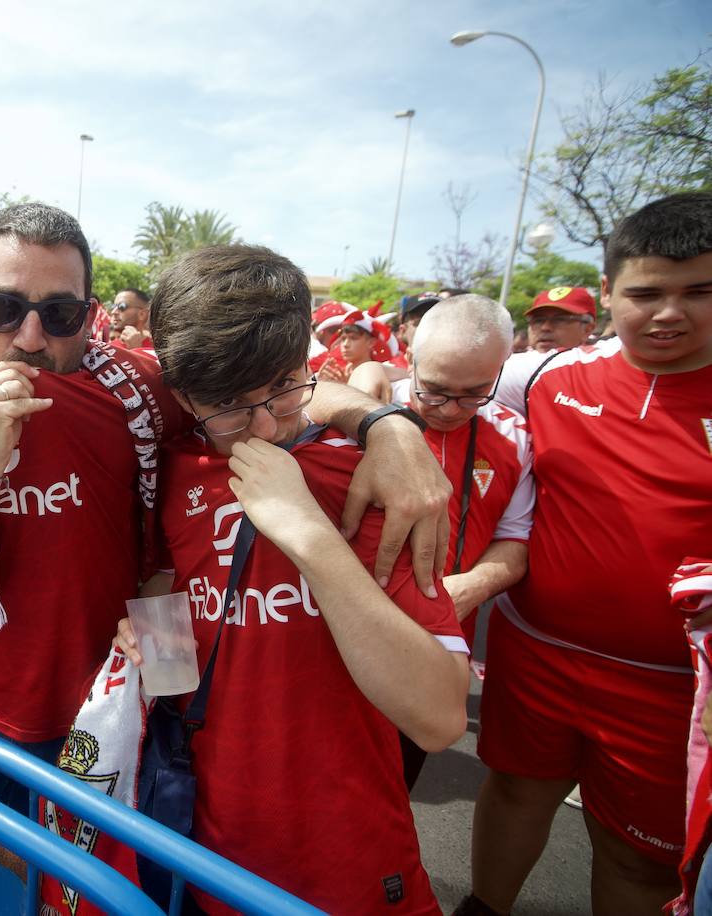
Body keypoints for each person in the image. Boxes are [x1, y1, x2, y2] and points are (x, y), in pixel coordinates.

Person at [0, 202, 455, 814]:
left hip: (113, 719)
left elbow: (273, 386)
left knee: (86, 899)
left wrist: (389, 427)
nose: (30, 338)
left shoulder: (143, 387)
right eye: (4, 309)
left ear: (90, 317)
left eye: (59, 314)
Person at [116, 244, 468, 915]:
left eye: (283, 386)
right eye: (227, 406)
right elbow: (170, 603)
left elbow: (440, 717)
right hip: (200, 841)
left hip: (346, 867)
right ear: (183, 394)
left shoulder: (364, 478)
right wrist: (148, 637)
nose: (266, 426)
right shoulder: (179, 463)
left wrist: (309, 535)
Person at [457, 192, 712, 916]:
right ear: (607, 292)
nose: (669, 313)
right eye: (646, 292)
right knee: (510, 792)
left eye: (699, 292)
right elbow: (415, 391)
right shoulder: (540, 376)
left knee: (636, 857)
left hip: (671, 689)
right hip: (534, 654)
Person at [352, 295, 534, 788]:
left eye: (474, 393)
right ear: (409, 358)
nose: (451, 409)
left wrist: (473, 585)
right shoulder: (363, 413)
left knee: (395, 792)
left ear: (501, 370)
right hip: (347, 642)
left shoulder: (515, 438)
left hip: (436, 650)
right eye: (433, 391)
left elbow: (516, 541)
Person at [523, 285, 596, 353]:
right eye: (538, 321)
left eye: (559, 320)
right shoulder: (514, 363)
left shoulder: (601, 364)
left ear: (587, 330)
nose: (545, 328)